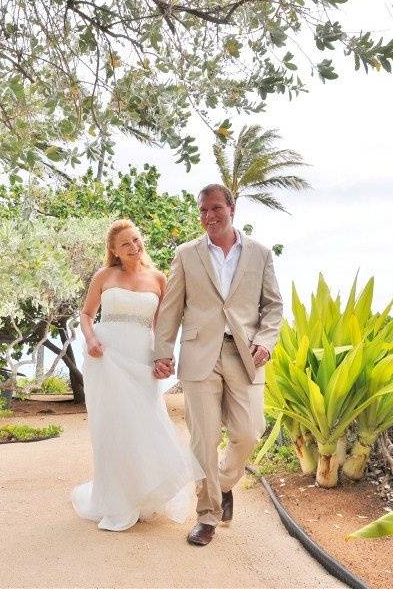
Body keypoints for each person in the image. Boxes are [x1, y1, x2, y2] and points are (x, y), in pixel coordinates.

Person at [153, 184, 283, 546]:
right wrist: (162, 350)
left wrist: (266, 340)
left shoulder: (260, 253)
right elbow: (171, 308)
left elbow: (273, 306)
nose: (209, 217)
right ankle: (207, 515)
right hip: (199, 355)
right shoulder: (186, 254)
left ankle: (223, 484)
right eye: (203, 211)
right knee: (203, 440)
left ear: (231, 208)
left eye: (215, 209)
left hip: (245, 355)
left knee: (248, 433)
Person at [71, 219, 204, 532]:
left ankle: (144, 496)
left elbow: (163, 327)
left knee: (146, 424)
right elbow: (87, 314)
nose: (134, 246)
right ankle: (117, 500)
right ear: (114, 251)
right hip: (106, 357)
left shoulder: (158, 278)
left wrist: (163, 357)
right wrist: (90, 340)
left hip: (141, 358)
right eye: (125, 244)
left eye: (136, 239)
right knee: (113, 427)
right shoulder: (105, 275)